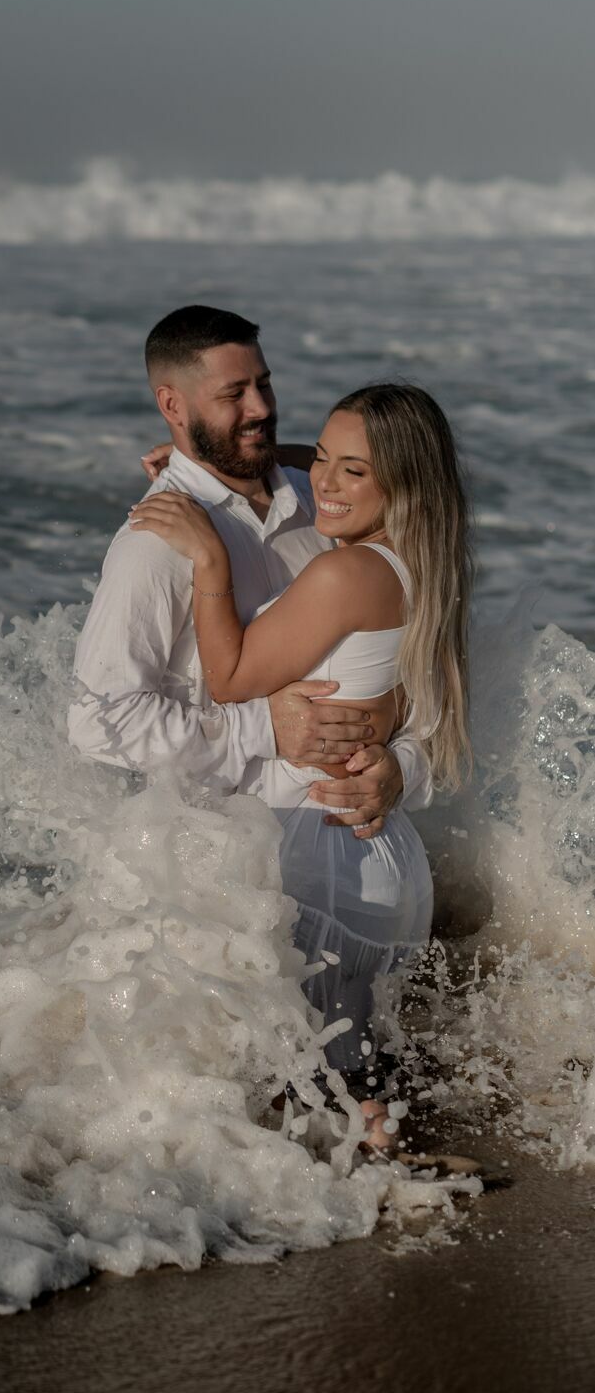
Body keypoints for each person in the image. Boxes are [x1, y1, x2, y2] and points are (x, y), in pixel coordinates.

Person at [67, 306, 459, 1148]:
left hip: (314, 865)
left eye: (264, 384)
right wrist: (259, 734)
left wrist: (397, 763)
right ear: (174, 409)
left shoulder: (324, 513)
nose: (257, 408)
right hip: (233, 882)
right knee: (326, 1106)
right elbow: (97, 722)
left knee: (302, 1118)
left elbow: (415, 687)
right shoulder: (155, 543)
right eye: (231, 393)